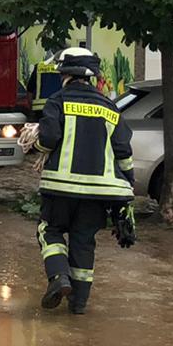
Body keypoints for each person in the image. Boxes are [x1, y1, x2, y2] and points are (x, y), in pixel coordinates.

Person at [34, 48, 135, 313]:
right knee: (83, 241)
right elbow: (124, 152)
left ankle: (58, 277)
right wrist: (128, 193)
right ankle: (78, 304)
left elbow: (48, 138)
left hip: (60, 188)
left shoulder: (57, 101)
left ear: (64, 73)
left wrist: (39, 145)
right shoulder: (108, 106)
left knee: (50, 230)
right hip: (99, 194)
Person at [25, 50, 63, 115]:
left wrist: (31, 108)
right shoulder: (65, 68)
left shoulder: (39, 66)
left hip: (39, 107)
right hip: (58, 107)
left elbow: (30, 90)